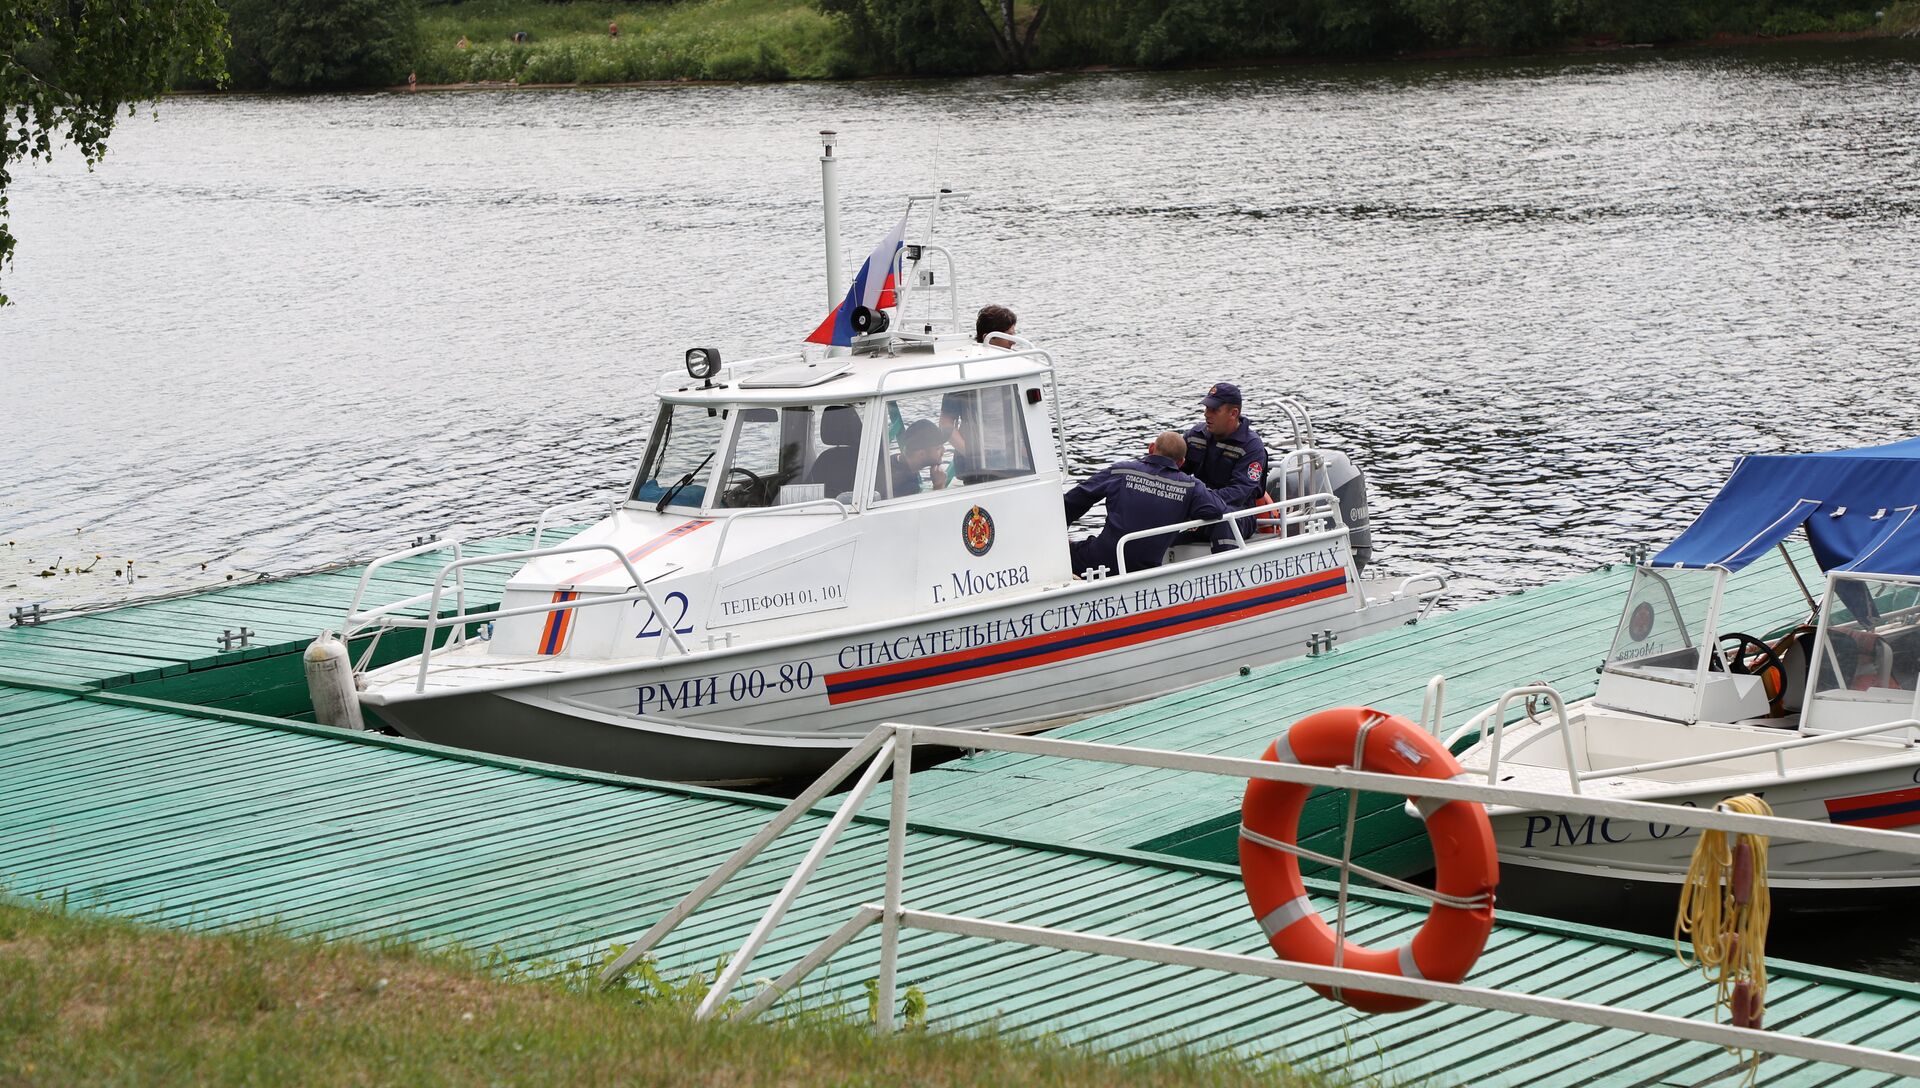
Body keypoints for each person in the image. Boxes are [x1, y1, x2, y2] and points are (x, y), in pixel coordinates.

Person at [1064, 432, 1225, 577]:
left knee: (1065, 551)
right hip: (1145, 568)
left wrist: (1059, 534)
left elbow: (1074, 499)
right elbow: (1217, 508)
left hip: (1101, 561)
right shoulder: (1190, 486)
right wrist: (1186, 510)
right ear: (1181, 462)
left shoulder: (1122, 471)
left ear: (1151, 448)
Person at [1182, 381, 1268, 550]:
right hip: (1199, 507)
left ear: (1233, 413)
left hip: (1239, 513)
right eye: (1206, 408)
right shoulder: (1195, 436)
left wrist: (1199, 501)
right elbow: (1174, 468)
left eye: (1214, 410)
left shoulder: (1251, 446)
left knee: (1225, 520)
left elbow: (1239, 492)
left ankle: (1226, 571)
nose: (1207, 414)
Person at [889, 419, 948, 497]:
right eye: (938, 448)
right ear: (921, 454)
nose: (944, 450)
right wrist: (939, 486)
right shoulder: (907, 486)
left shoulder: (894, 459)